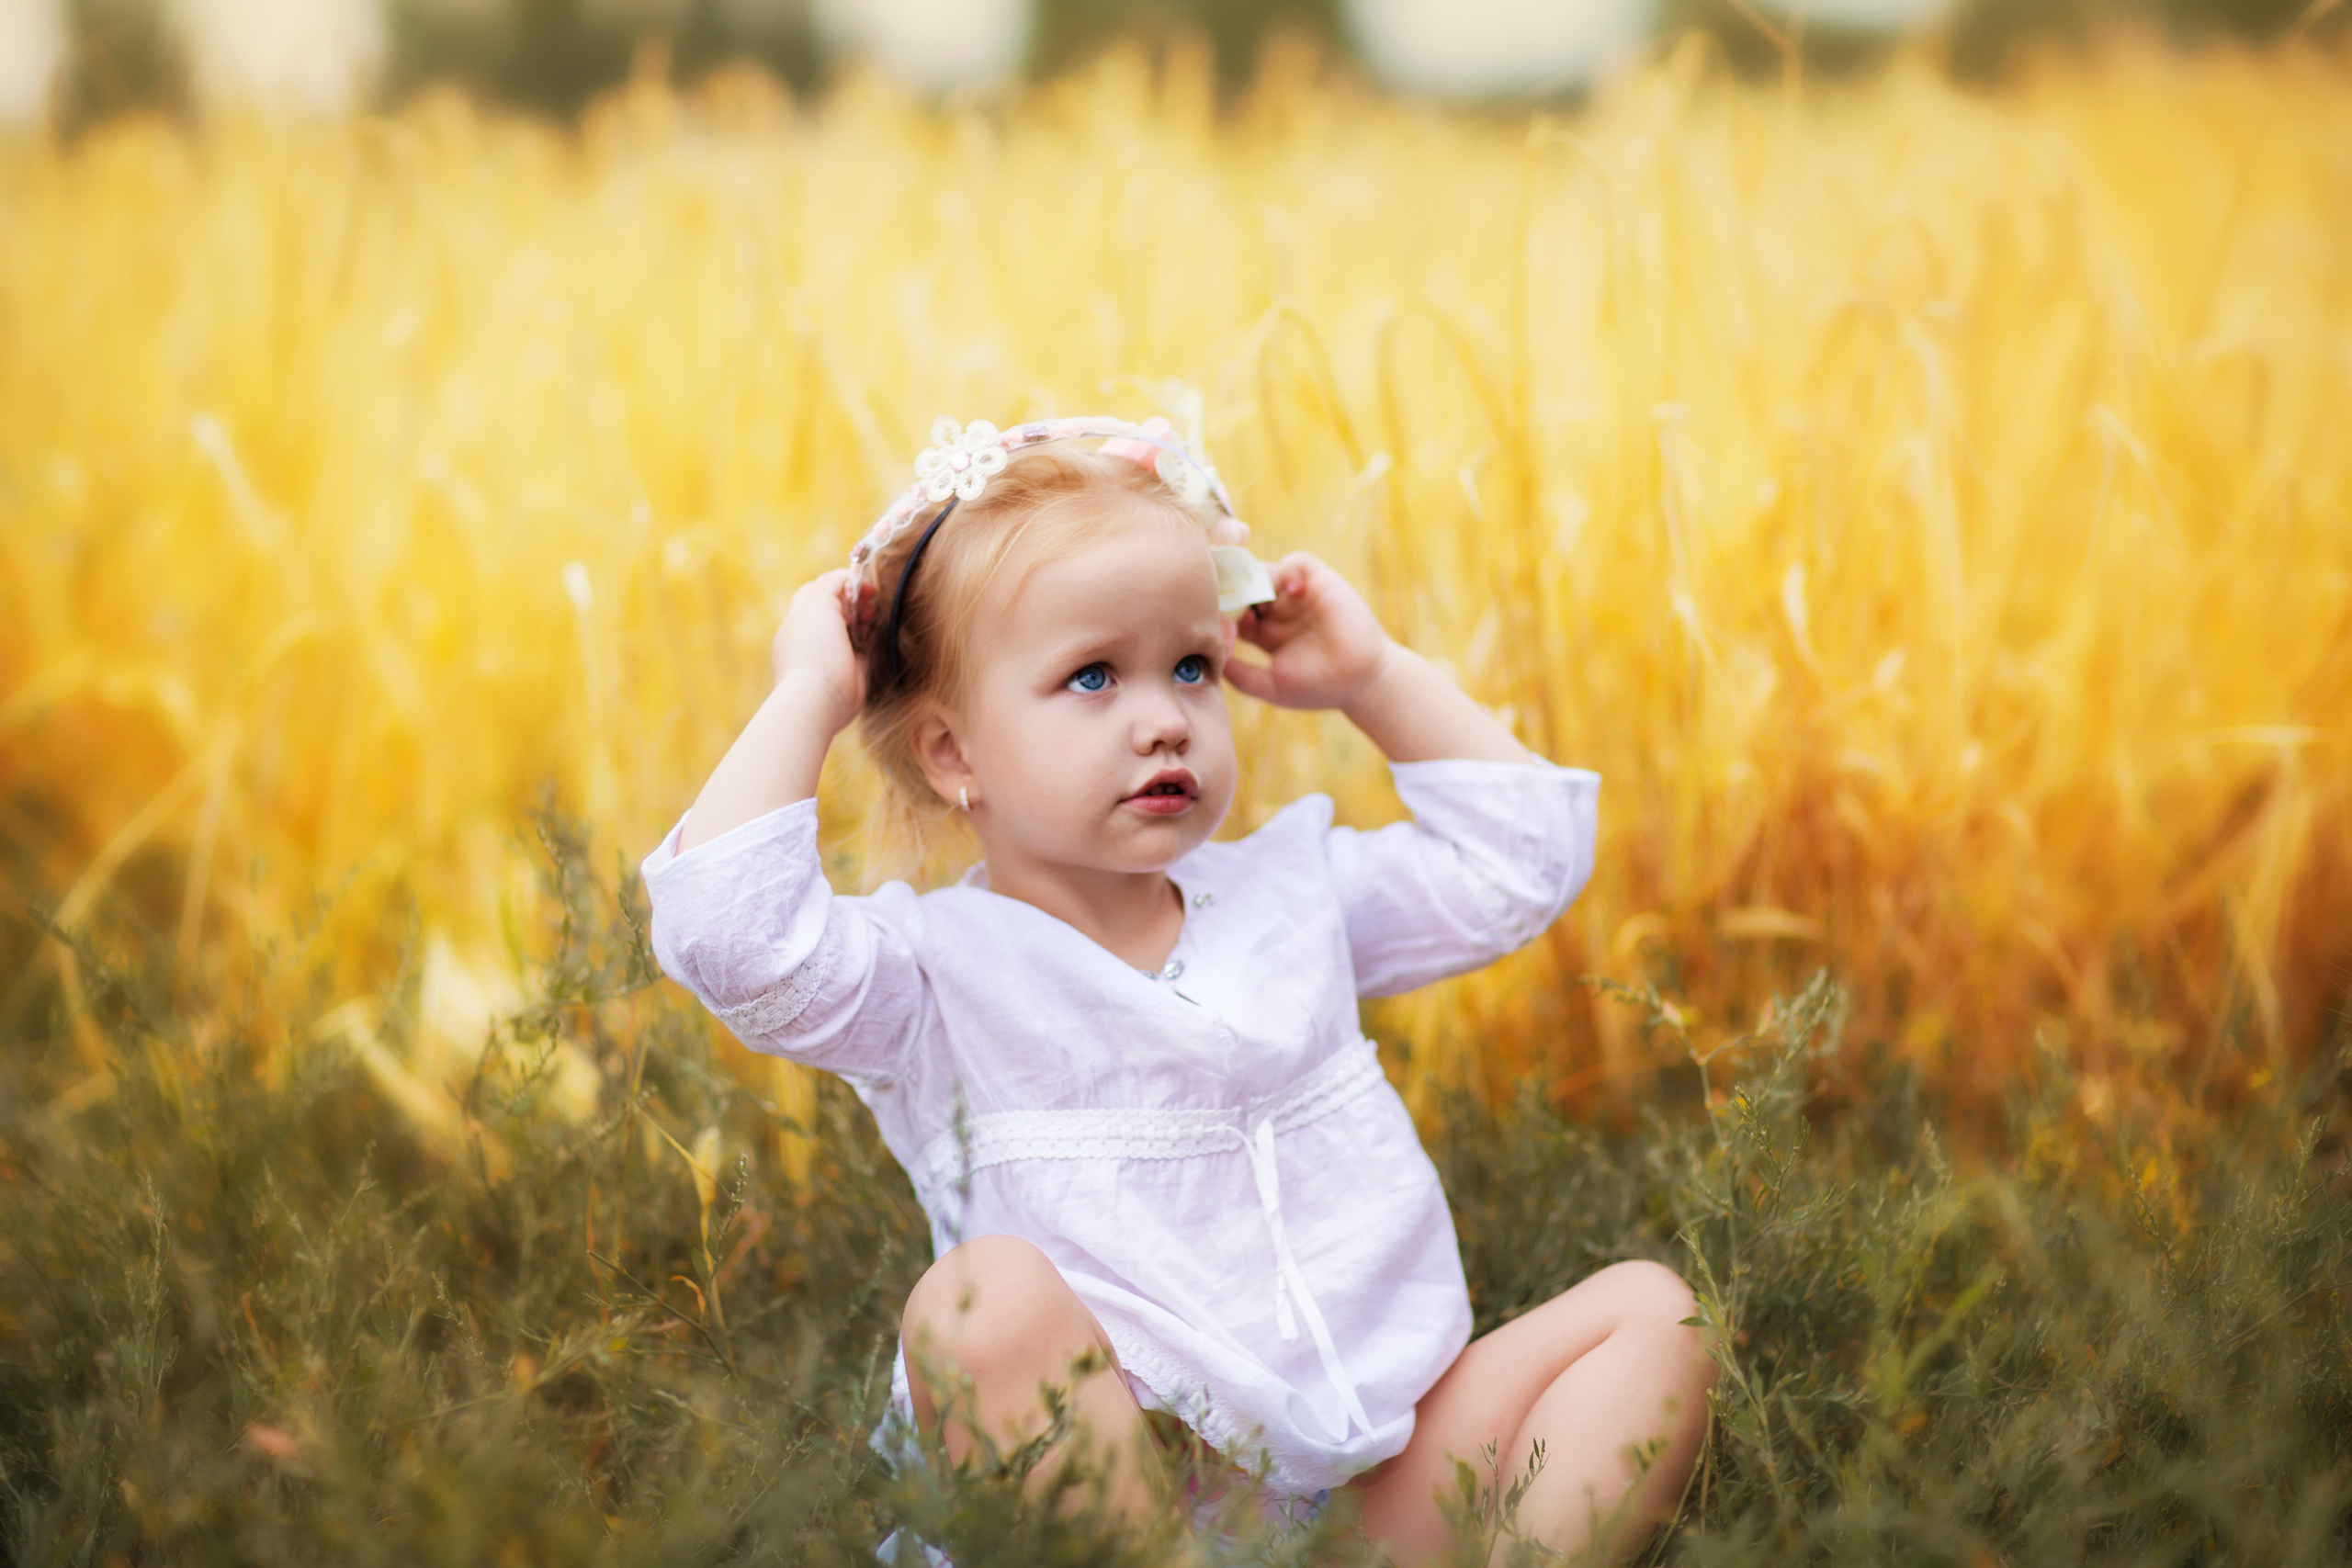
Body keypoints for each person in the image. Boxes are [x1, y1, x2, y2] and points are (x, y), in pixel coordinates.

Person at [640, 415, 1717, 1562]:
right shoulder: (930, 979)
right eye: (1092, 676)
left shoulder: (1291, 894)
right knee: (980, 1304)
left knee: (1658, 1316)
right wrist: (811, 691)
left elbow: (1520, 862)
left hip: (1364, 1487)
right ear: (953, 754)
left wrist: (1373, 678)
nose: (1165, 718)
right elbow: (728, 936)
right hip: (1125, 1505)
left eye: (1190, 667)